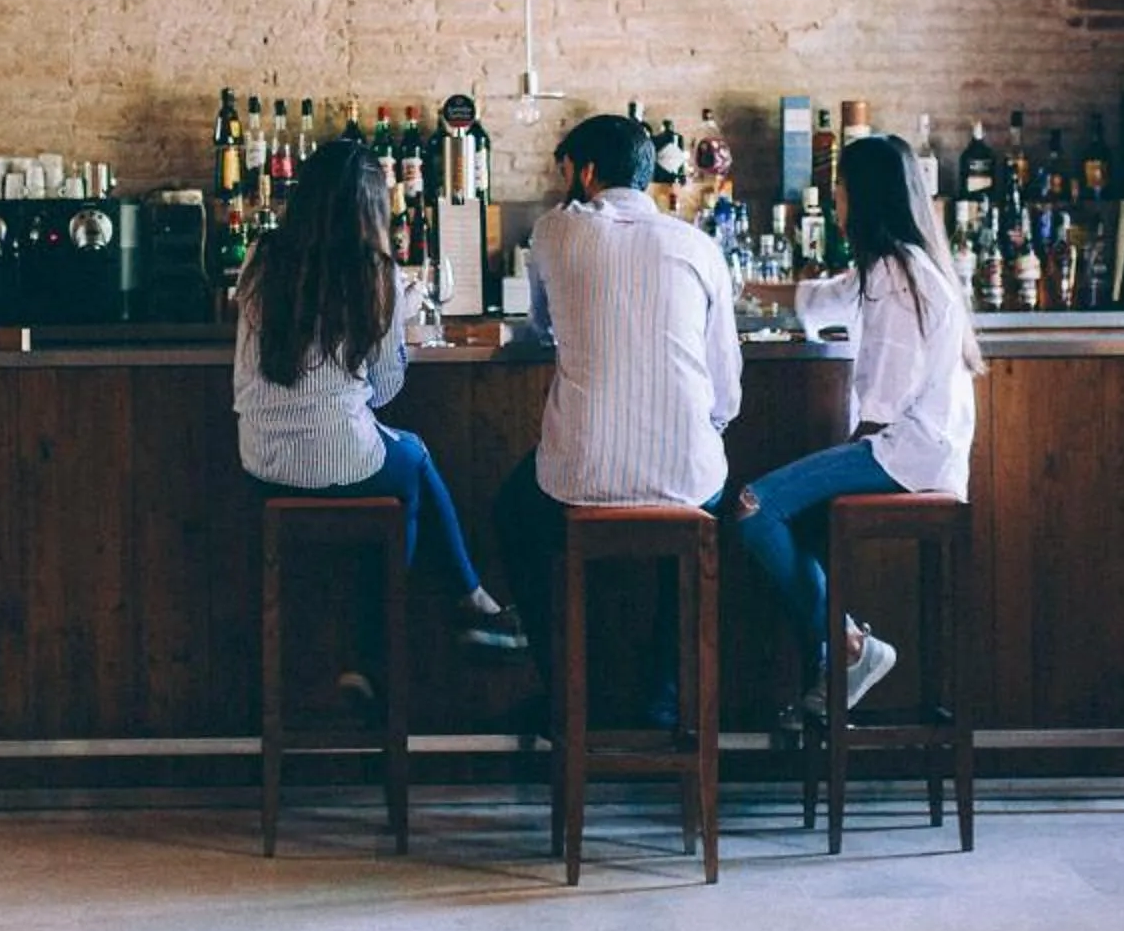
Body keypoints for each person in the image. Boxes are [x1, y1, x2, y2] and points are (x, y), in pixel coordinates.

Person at [493, 112, 743, 720]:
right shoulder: (699, 245)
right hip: (691, 475)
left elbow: (541, 328)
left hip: (580, 475)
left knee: (514, 515)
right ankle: (664, 699)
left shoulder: (554, 232)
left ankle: (563, 695)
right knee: (690, 527)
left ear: (584, 173)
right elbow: (727, 390)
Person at [234, 137, 523, 652]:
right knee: (411, 467)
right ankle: (388, 643)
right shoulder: (375, 273)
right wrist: (397, 318)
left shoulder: (262, 258)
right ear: (372, 206)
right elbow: (385, 390)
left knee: (407, 459)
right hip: (342, 458)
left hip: (262, 463)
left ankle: (465, 604)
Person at [735, 129, 982, 713]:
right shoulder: (892, 266)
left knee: (753, 507)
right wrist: (739, 287)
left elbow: (884, 408)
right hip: (912, 451)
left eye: (840, 189)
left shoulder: (898, 277)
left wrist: (833, 467)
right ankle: (832, 664)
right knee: (801, 528)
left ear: (861, 197)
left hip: (906, 454)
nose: (836, 201)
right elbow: (817, 298)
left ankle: (848, 644)